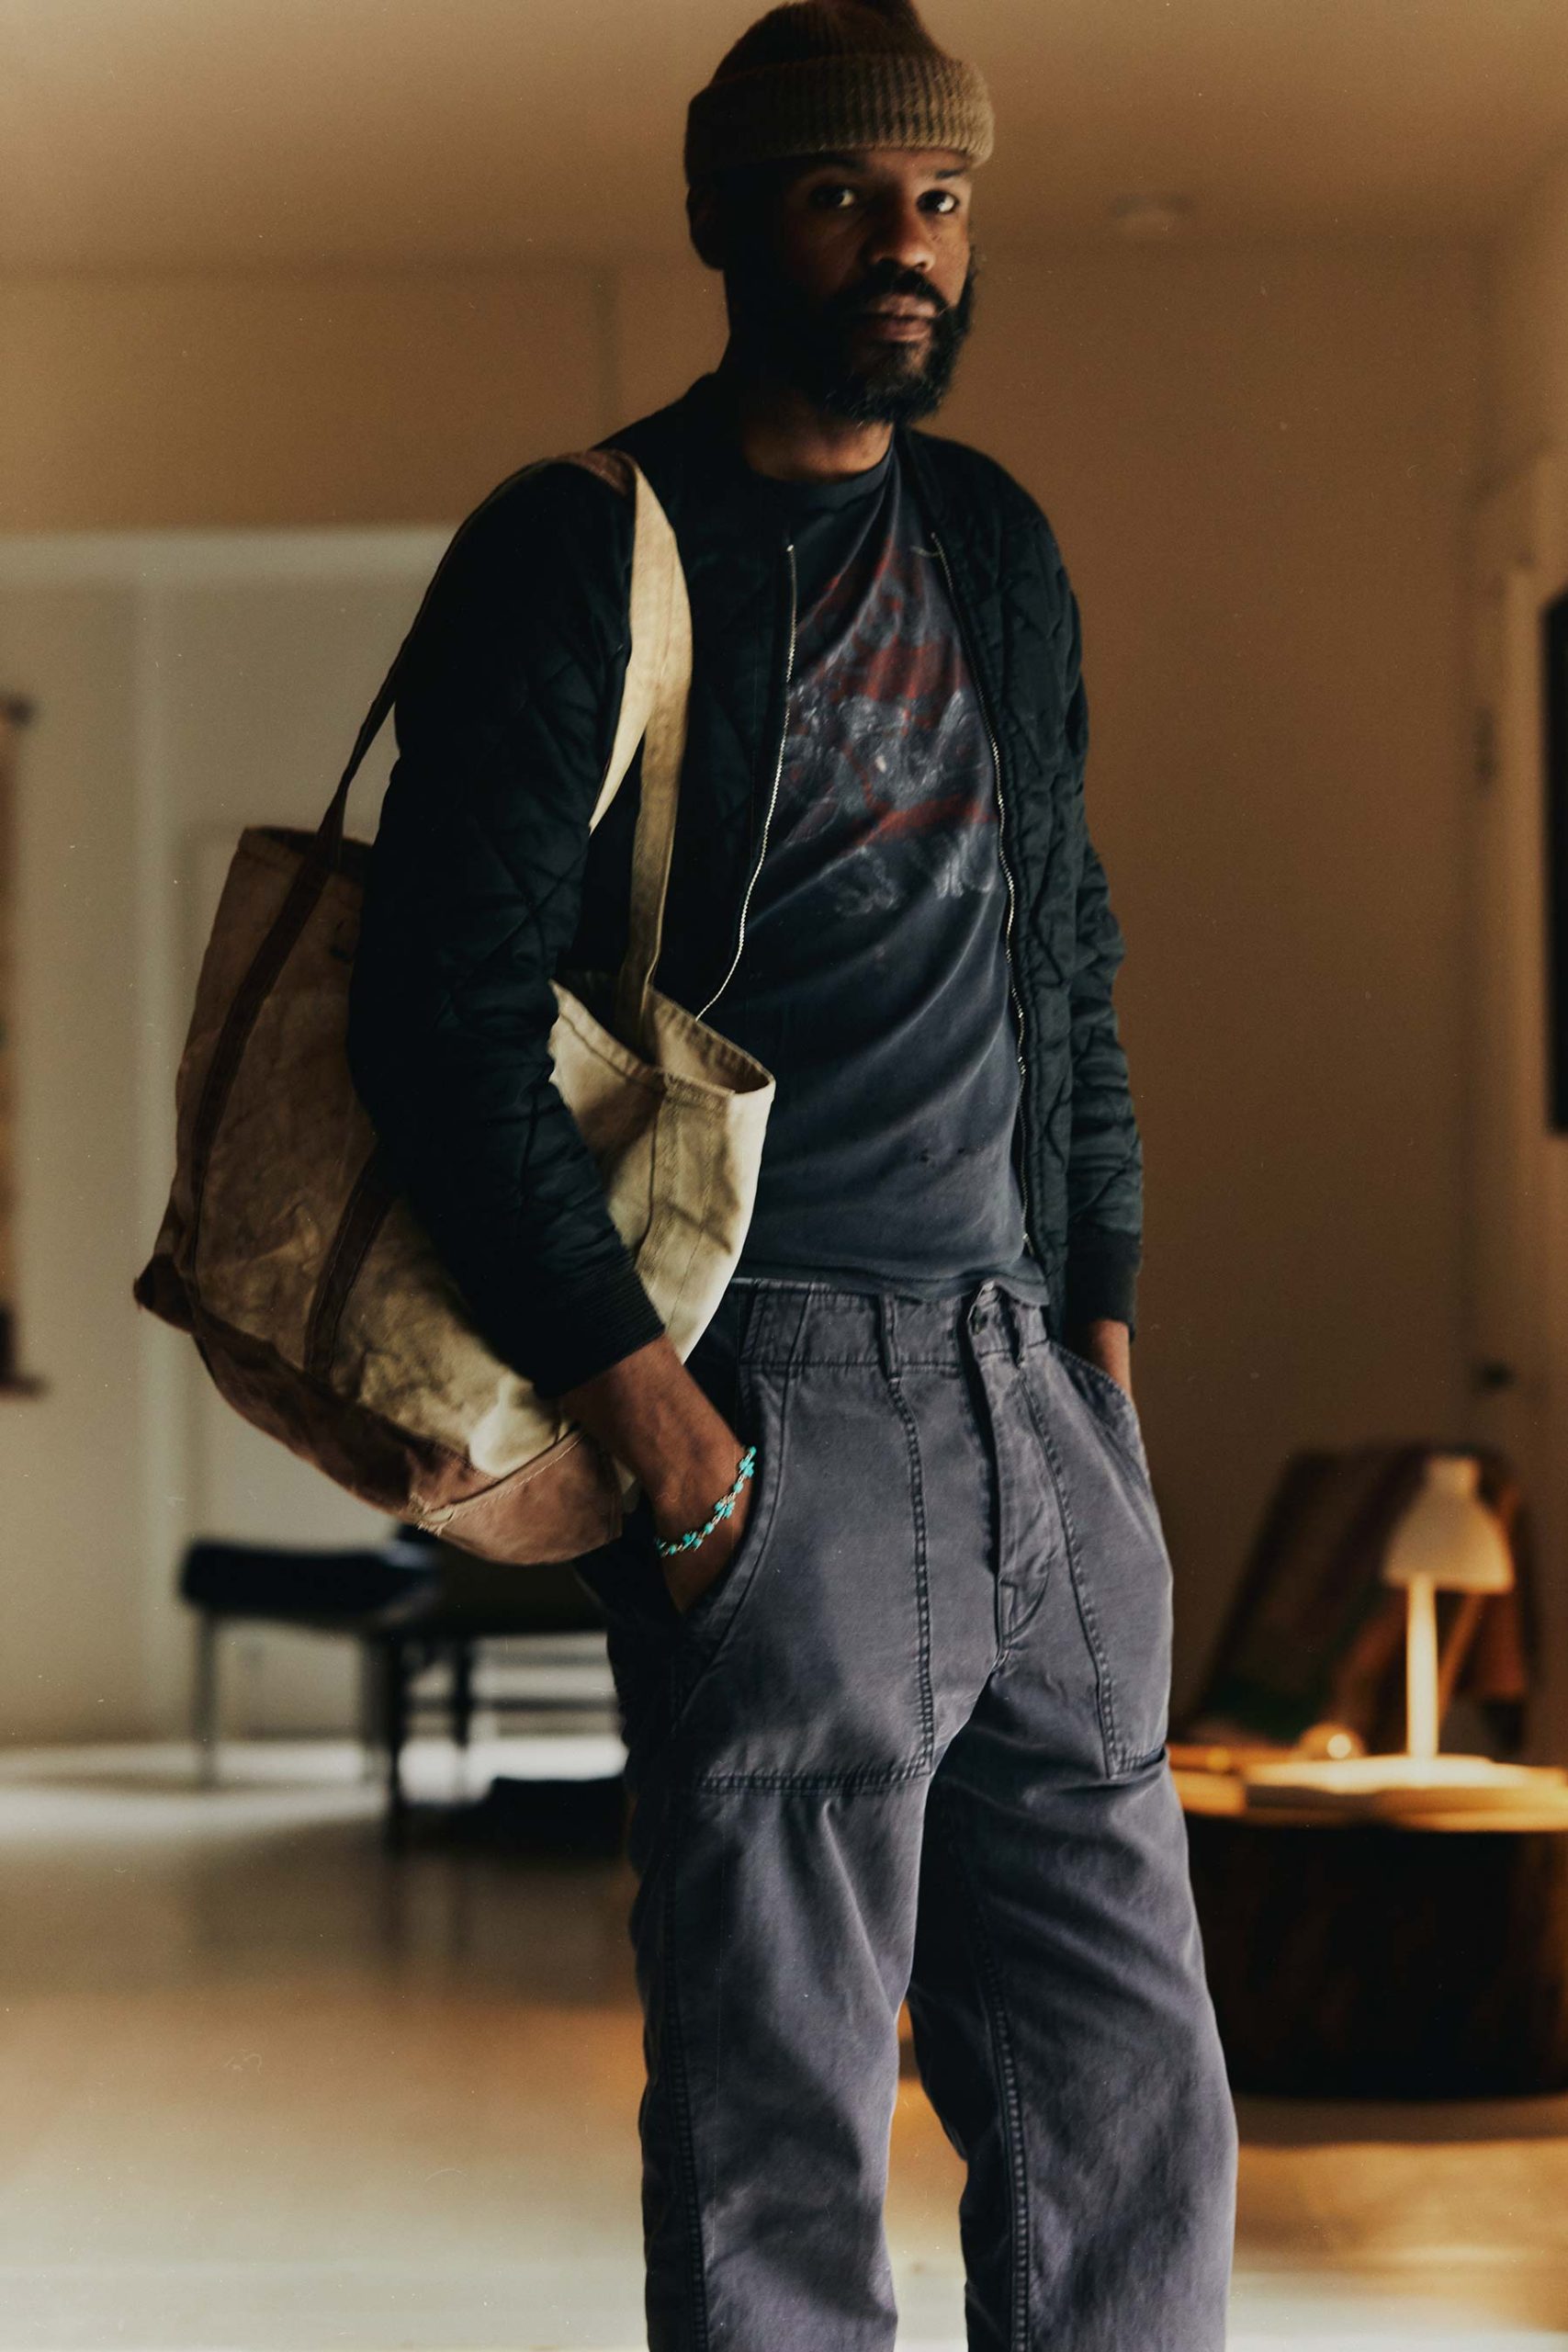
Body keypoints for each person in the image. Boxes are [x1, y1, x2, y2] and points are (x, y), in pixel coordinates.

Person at [346, 2, 1238, 2341]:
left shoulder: (993, 542)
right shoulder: (582, 548)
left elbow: (1067, 941)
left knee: (1130, 2118)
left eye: (938, 201)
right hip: (778, 1400)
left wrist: (1099, 1329)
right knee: (782, 2141)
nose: (902, 248)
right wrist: (659, 1423)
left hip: (1031, 1386)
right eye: (844, 196)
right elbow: (436, 1017)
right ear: (727, 219)